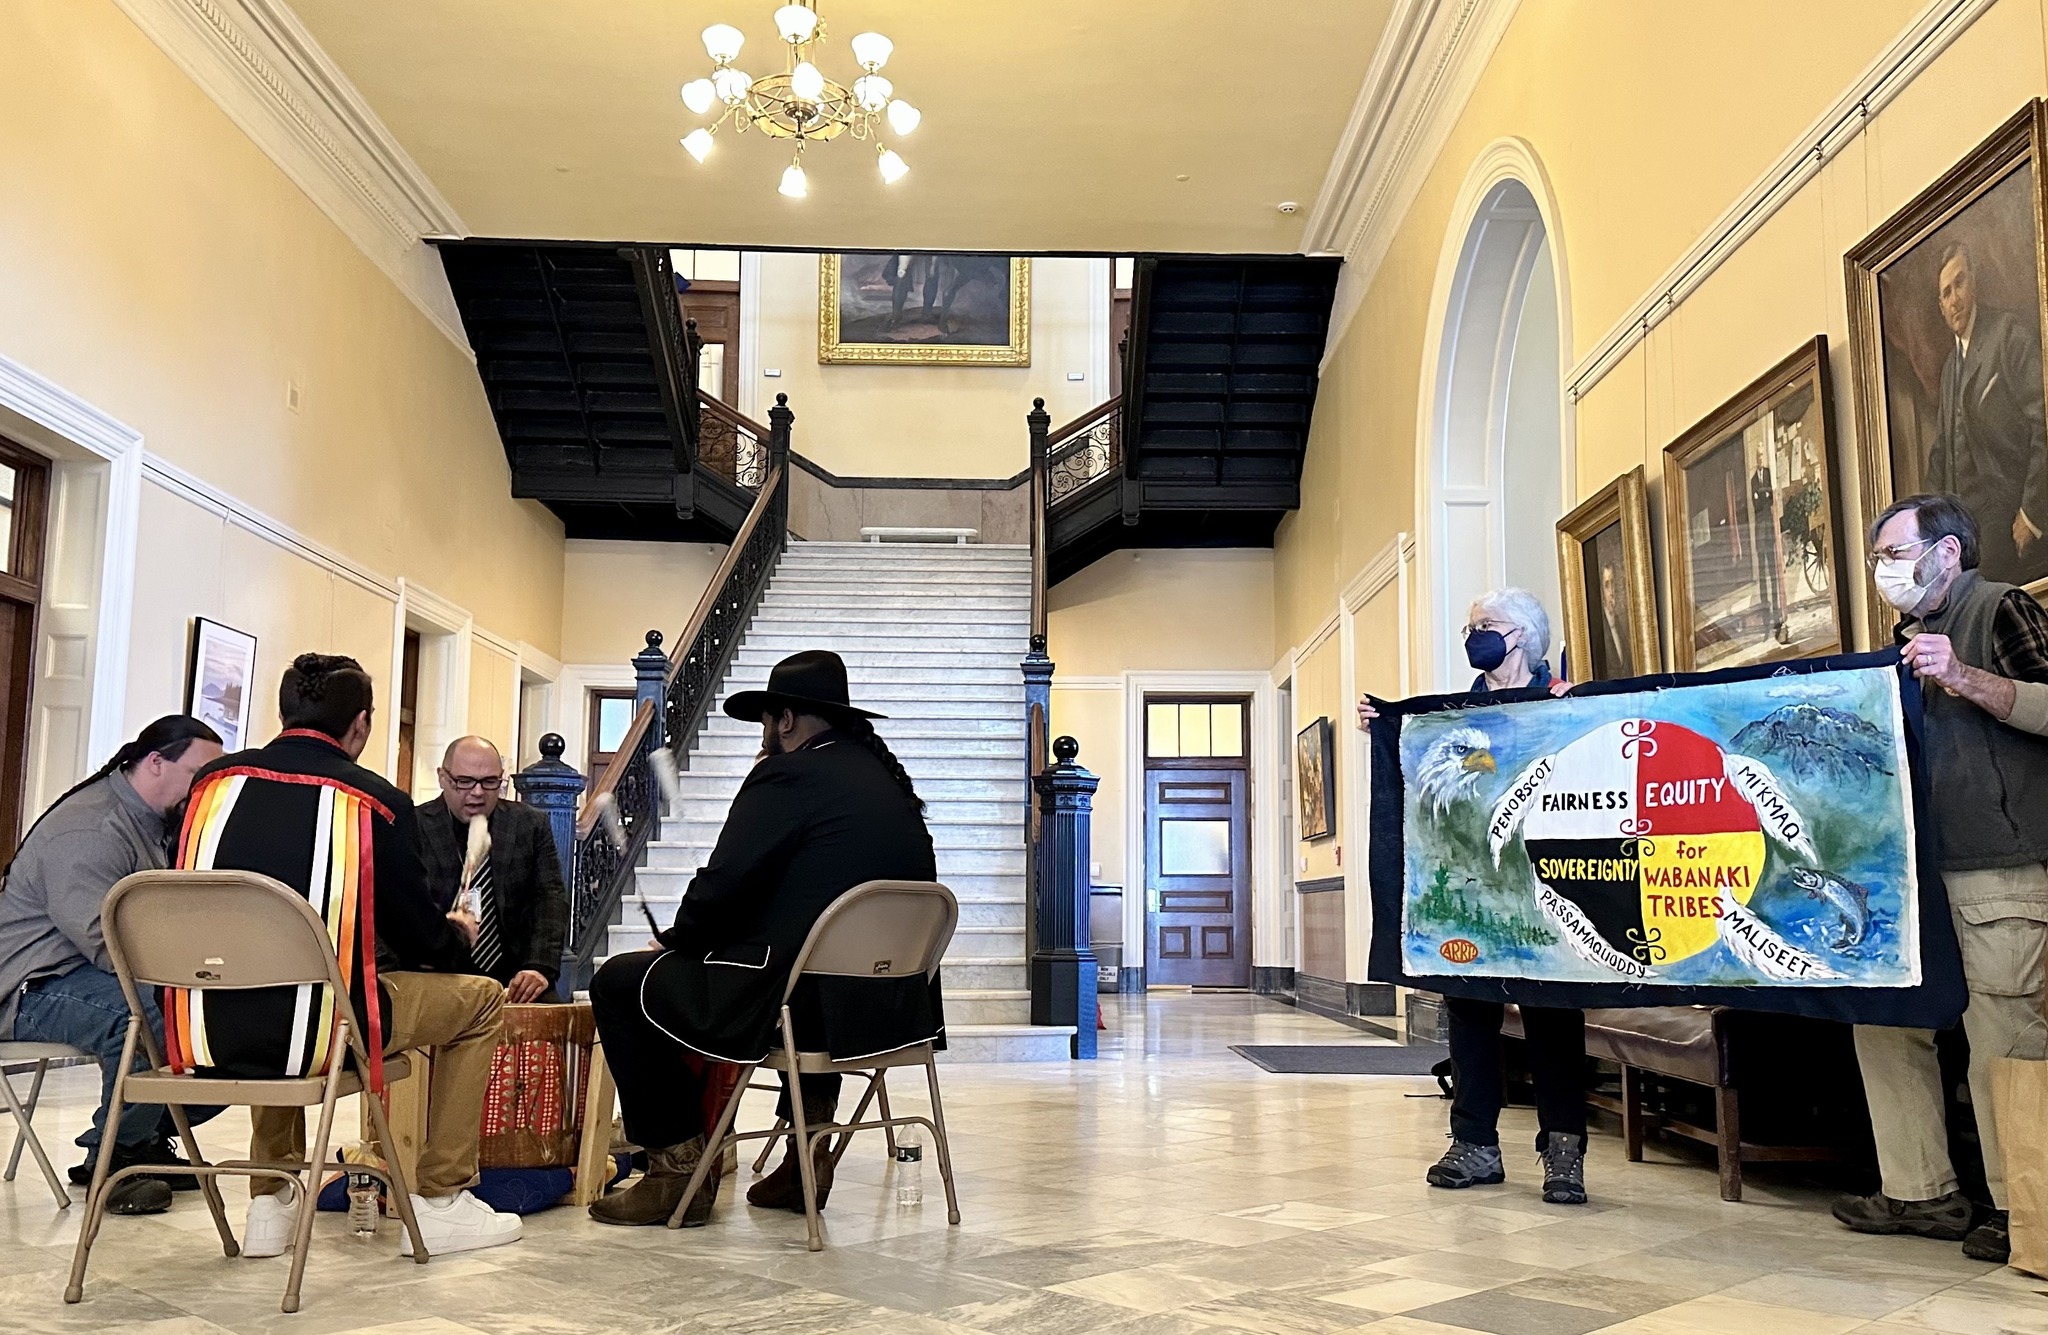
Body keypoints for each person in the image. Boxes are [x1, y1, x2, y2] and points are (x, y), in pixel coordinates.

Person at [175, 653, 521, 1259]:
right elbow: (418, 939)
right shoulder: (373, 802)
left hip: (202, 1023)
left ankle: (270, 1201)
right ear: (360, 724)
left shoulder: (210, 785)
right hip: (327, 1031)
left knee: (274, 982)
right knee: (483, 1001)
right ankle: (443, 1201)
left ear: (283, 712)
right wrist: (455, 936)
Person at [587, 649, 938, 1227]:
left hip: (798, 1006)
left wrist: (678, 940)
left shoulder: (788, 774)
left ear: (786, 720)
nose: (764, 734)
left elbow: (724, 885)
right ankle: (806, 1156)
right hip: (885, 1009)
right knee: (809, 973)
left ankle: (676, 1173)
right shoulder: (888, 782)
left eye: (766, 721)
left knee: (620, 982)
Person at [1833, 493, 2048, 1265]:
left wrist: (1964, 676)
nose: (1884, 570)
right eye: (1879, 558)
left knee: (2003, 1037)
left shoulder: (2003, 609)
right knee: (1884, 1018)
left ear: (1947, 551)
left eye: (1895, 553)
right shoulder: (1899, 644)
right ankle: (1919, 1189)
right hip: (1912, 877)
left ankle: (2021, 1209)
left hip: (1999, 865)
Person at [1359, 587, 1589, 1204]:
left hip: (1545, 882)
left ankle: (1564, 1150)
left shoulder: (1564, 700)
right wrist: (1388, 727)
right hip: (1471, 886)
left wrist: (1581, 707)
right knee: (1469, 1013)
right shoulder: (1456, 717)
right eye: (1470, 627)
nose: (1475, 636)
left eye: (1486, 625)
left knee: (1553, 1015)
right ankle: (1474, 1144)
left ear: (1523, 636)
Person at [0, 717, 224, 1216]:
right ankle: (118, 1158)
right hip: (29, 985)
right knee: (143, 1012)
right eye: (198, 775)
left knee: (227, 1016)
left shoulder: (154, 822)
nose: (205, 790)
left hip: (78, 974)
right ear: (156, 762)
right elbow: (108, 946)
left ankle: (138, 1136)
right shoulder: (90, 829)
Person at [1923, 242, 2048, 586]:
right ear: (1941, 306)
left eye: (1959, 283)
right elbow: (1941, 454)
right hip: (1965, 540)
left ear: (1974, 282)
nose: (1954, 299)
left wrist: (2031, 513)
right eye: (1946, 293)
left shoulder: (2007, 334)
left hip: (2010, 526)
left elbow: (2044, 422)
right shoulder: (1949, 369)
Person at [415, 736, 567, 1004]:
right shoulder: (413, 827)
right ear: (443, 777)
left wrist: (540, 967)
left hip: (515, 978)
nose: (477, 792)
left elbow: (549, 899)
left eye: (489, 782)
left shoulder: (530, 825)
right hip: (440, 976)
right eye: (464, 781)